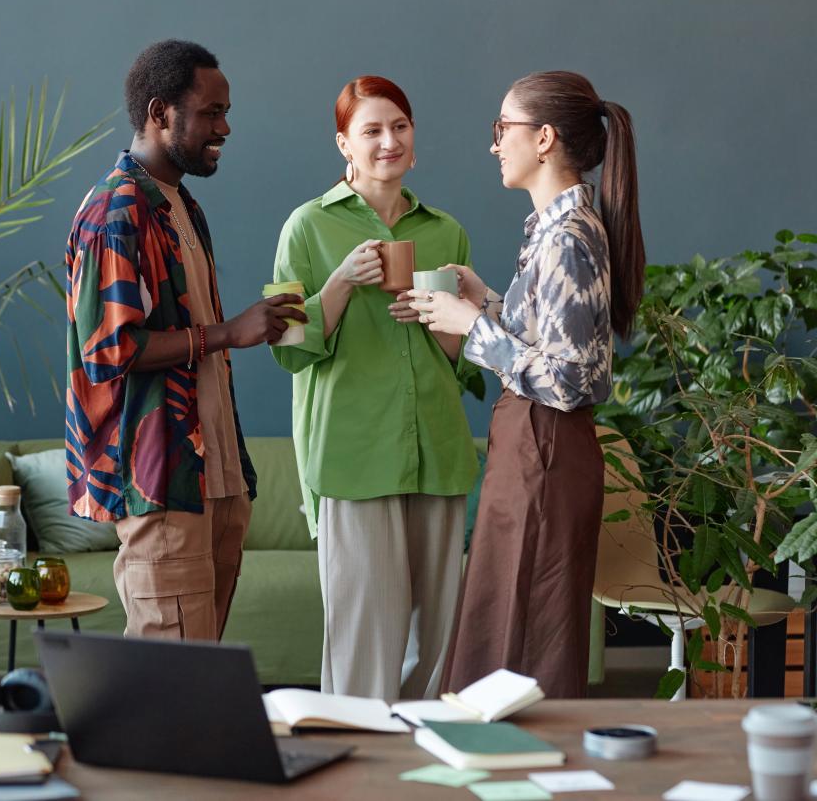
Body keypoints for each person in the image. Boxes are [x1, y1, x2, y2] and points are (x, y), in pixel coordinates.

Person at [64, 39, 306, 641]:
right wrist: (229, 333)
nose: (224, 127)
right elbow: (108, 350)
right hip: (161, 479)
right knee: (168, 673)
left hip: (214, 477)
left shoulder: (180, 205)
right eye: (210, 113)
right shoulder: (116, 213)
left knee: (198, 667)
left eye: (226, 112)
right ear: (159, 112)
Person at [418, 70, 645, 698]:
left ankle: (526, 781)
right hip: (534, 447)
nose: (494, 144)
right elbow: (552, 343)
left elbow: (570, 380)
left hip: (545, 447)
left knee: (526, 638)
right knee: (506, 625)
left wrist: (472, 328)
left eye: (503, 128)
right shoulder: (554, 230)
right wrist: (487, 300)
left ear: (543, 138)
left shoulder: (570, 237)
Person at [270, 76, 479, 701]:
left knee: (440, 646)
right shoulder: (306, 226)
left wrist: (437, 316)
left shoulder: (447, 232)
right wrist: (337, 285)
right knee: (364, 644)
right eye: (372, 130)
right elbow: (284, 348)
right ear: (345, 144)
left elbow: (464, 361)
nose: (389, 141)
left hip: (439, 455)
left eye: (400, 127)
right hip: (351, 459)